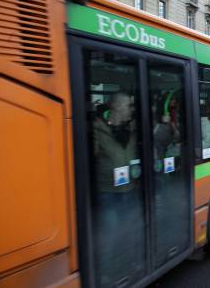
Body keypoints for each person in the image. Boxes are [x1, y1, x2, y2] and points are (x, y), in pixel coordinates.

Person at [92, 92, 145, 285]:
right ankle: (104, 274)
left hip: (129, 189)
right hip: (108, 192)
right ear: (115, 107)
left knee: (131, 230)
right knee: (109, 236)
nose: (132, 109)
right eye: (128, 105)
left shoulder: (130, 129)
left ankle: (130, 264)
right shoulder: (97, 130)